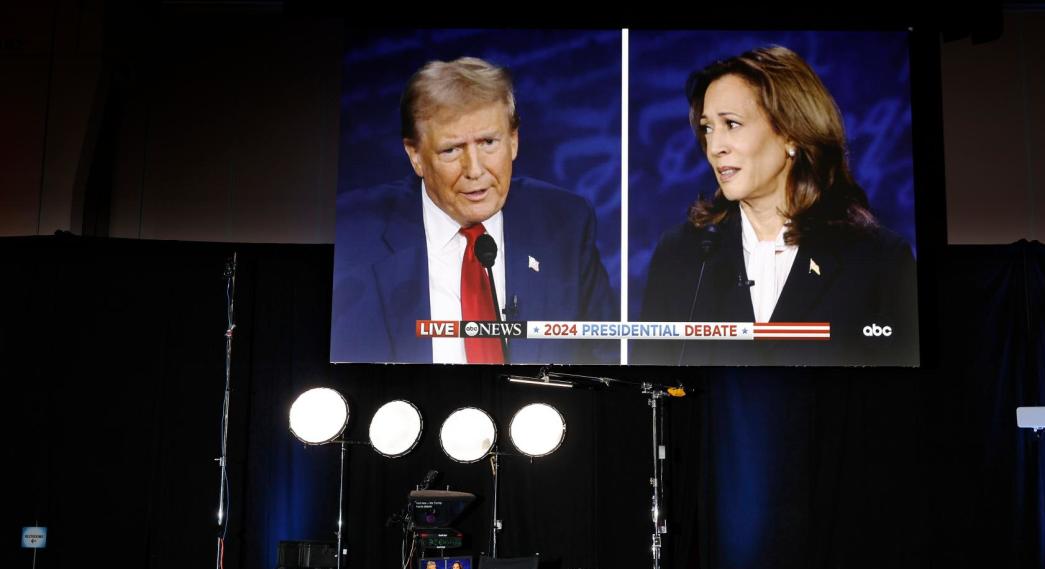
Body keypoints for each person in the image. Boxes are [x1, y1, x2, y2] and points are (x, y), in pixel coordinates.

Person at [636, 46, 918, 366]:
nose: (715, 147)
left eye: (732, 124)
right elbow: (653, 380)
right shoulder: (682, 253)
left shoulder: (877, 258)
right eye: (707, 128)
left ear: (790, 134)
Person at [331, 56, 617, 365]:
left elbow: (604, 358)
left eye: (488, 143)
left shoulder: (566, 224)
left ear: (514, 141)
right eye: (451, 149)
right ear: (415, 155)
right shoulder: (354, 236)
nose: (475, 170)